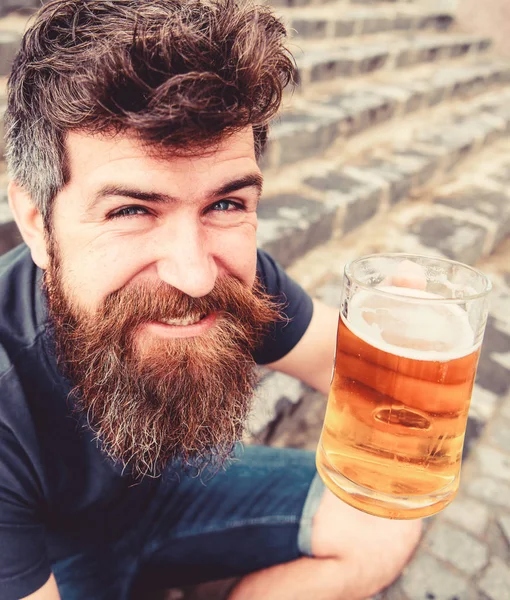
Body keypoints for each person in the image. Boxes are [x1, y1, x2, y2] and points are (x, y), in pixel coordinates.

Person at [0, 1, 422, 598]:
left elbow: (357, 371)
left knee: (384, 522)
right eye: (131, 210)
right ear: (37, 222)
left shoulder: (232, 278)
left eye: (226, 204)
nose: (196, 276)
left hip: (170, 493)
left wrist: (409, 355)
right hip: (52, 555)